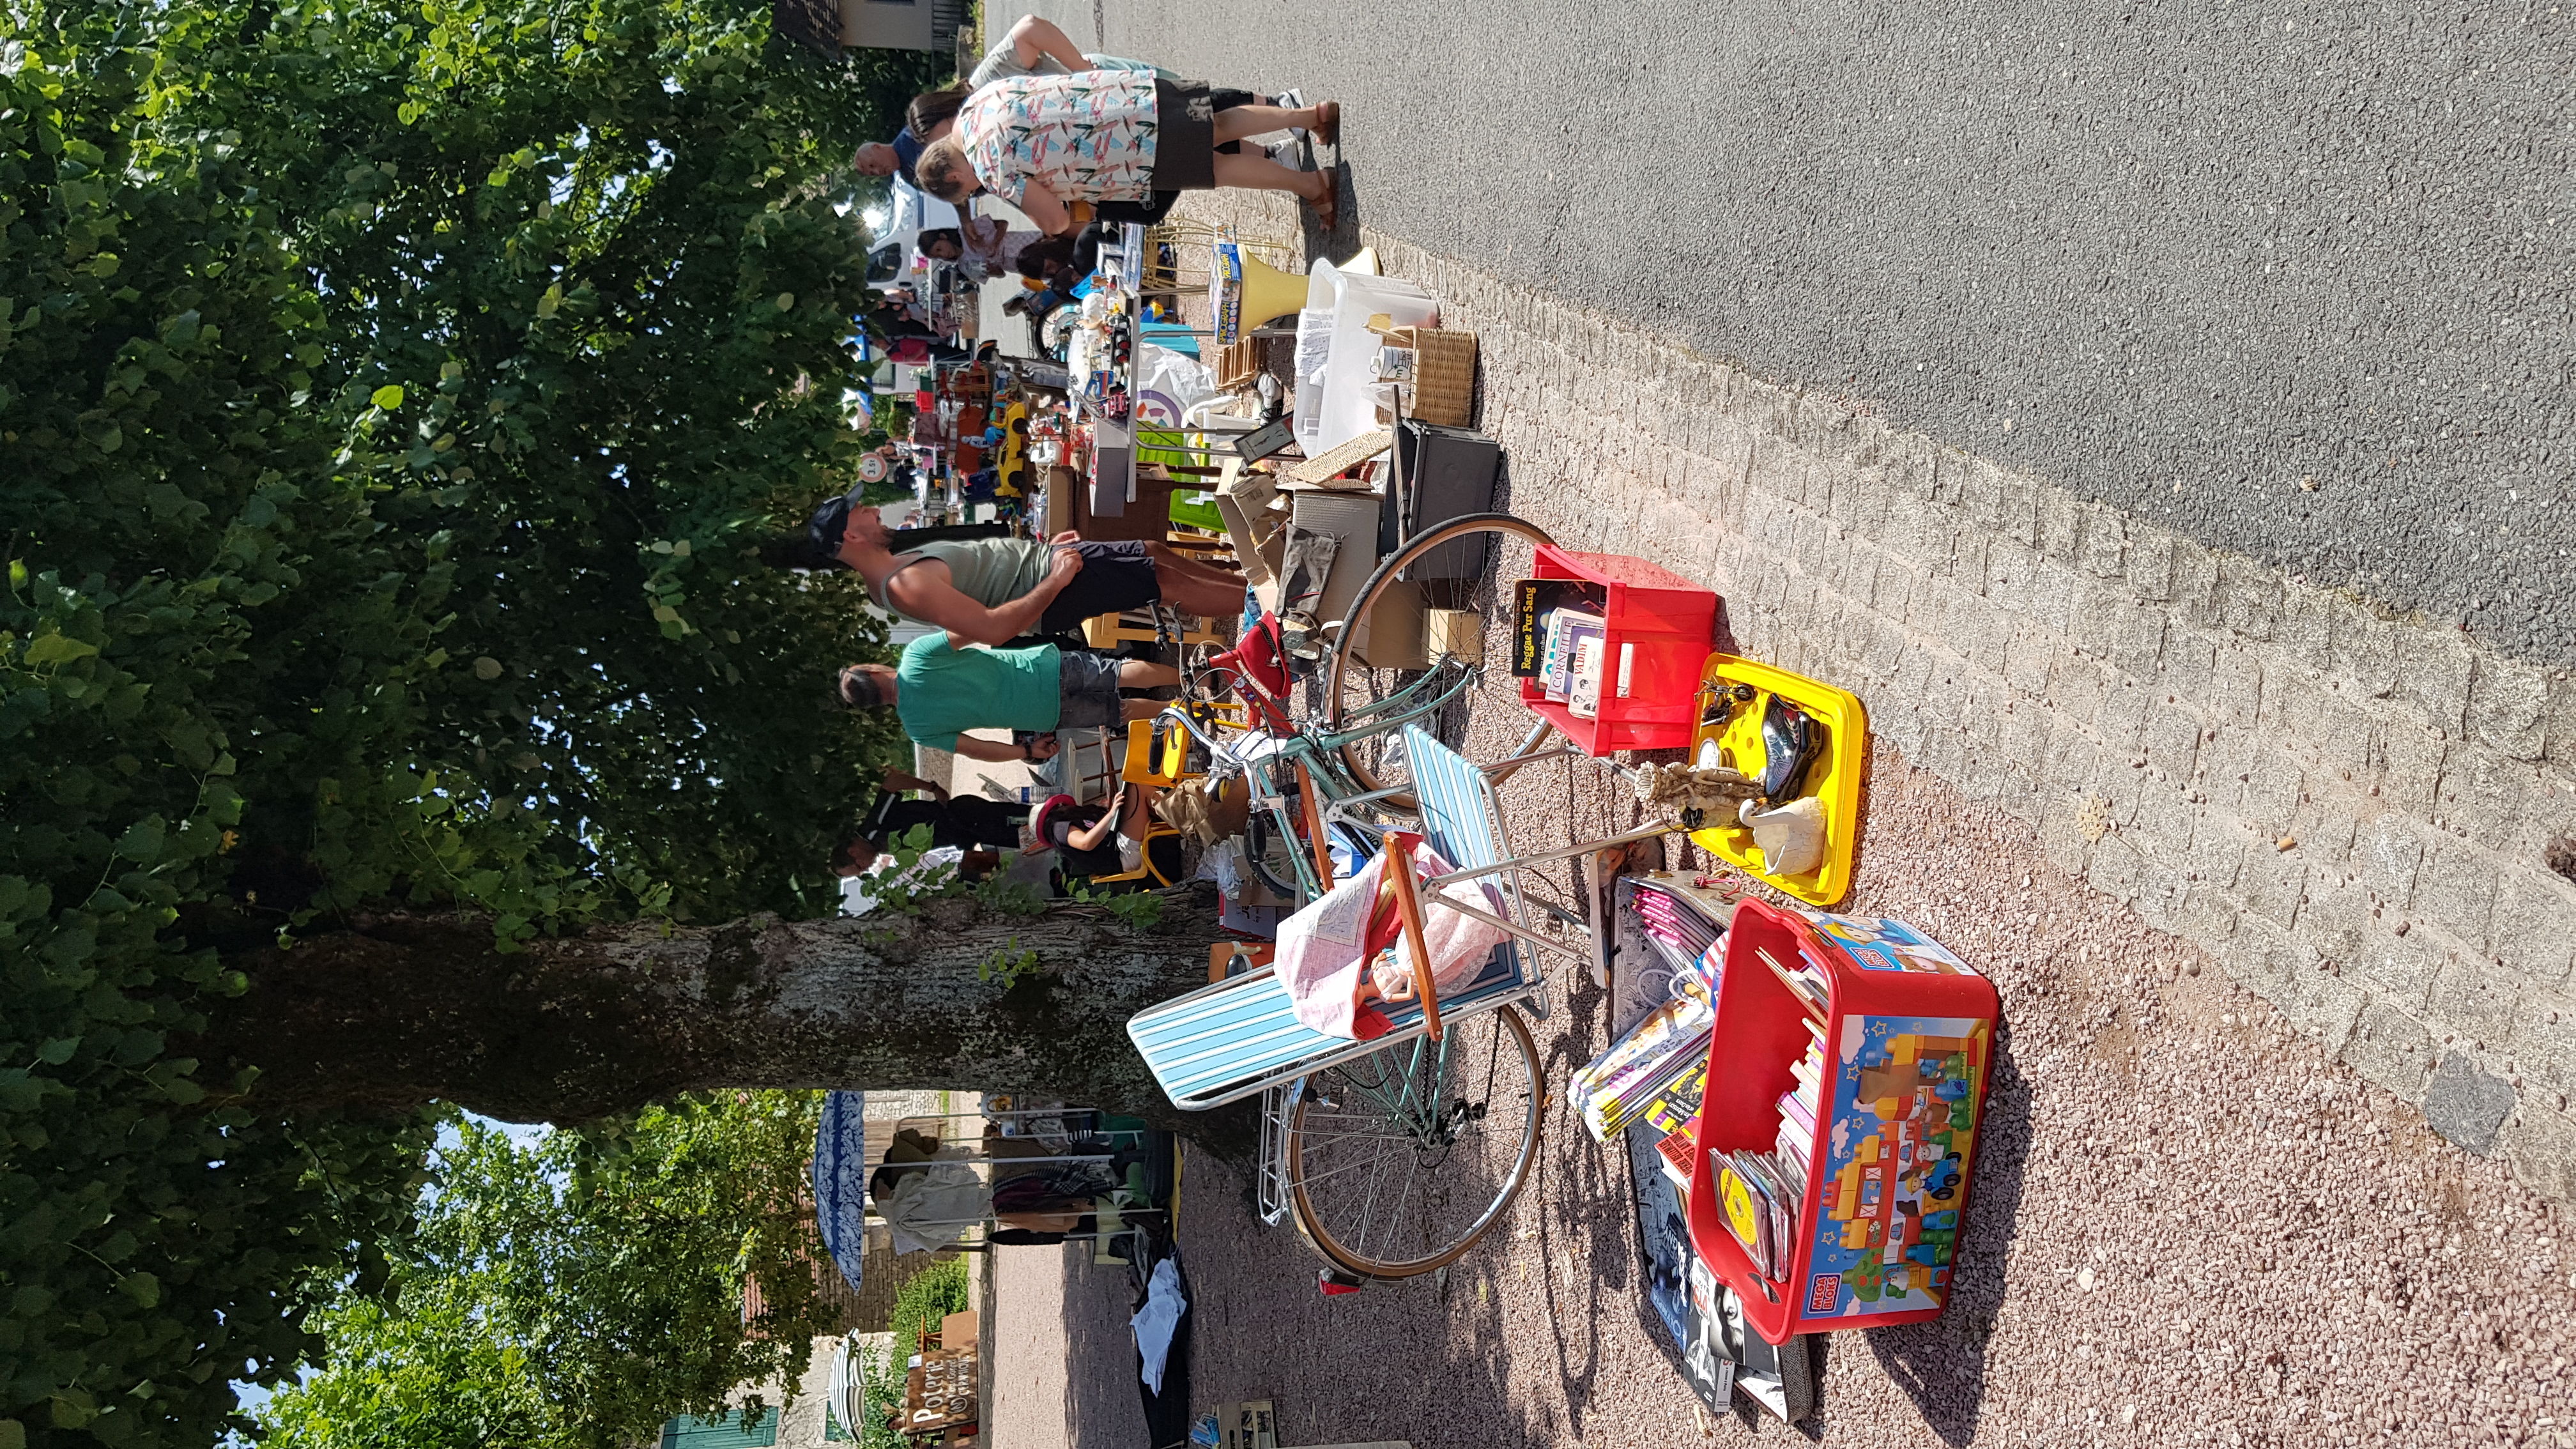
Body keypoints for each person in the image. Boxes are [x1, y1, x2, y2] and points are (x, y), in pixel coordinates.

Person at [797, 488, 1246, 646]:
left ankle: (1258, 587)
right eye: (862, 512)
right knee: (1161, 581)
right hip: (1052, 586)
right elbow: (993, 630)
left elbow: (987, 573)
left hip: (1048, 568)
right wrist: (1054, 579)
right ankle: (1272, 610)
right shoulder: (905, 585)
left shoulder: (897, 571)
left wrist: (1045, 552)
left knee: (1154, 552)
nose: (873, 509)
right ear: (850, 537)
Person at [914, 73, 1342, 236]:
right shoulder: (978, 100)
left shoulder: (990, 168)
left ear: (953, 177)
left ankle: (1312, 186)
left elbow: (1056, 219)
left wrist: (1063, 214)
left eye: (967, 191)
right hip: (1127, 94)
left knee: (1219, 167)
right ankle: (1308, 116)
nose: (976, 191)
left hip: (1124, 152)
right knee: (1220, 122)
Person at [836, 633, 1178, 762]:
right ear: (873, 670)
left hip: (1042, 714)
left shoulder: (918, 728)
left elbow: (977, 750)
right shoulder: (917, 655)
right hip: (1041, 667)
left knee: (1120, 710)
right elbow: (973, 627)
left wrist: (1026, 751)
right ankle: (1195, 676)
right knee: (1117, 672)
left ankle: (1180, 711)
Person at [832, 766, 1030, 877]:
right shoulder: (880, 846)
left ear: (853, 851)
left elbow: (893, 781)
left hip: (963, 816)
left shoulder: (873, 827)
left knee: (1032, 821)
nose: (866, 869)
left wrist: (932, 788)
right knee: (1027, 840)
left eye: (859, 867)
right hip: (967, 834)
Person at [1029, 783, 1183, 892]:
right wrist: (1111, 814)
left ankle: (1179, 812)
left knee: (1134, 792)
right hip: (1123, 854)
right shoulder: (1058, 829)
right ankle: (1183, 813)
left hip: (1122, 850)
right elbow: (1086, 843)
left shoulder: (1061, 830)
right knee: (1135, 788)